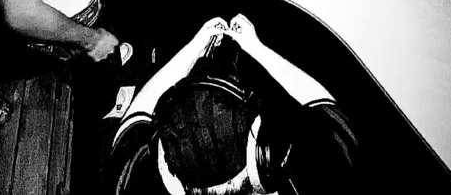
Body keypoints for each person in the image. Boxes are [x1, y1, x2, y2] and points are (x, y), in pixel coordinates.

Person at [109, 14, 360, 195]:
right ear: (262, 156)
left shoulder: (131, 181)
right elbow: (322, 103)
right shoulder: (327, 179)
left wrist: (195, 48)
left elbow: (136, 115)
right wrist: (256, 47)